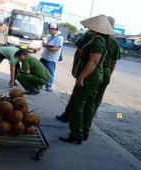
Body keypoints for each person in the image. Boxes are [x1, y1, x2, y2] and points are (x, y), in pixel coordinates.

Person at [59, 14, 115, 144]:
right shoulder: (102, 39)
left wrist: (81, 77)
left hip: (91, 77)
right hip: (96, 76)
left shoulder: (97, 41)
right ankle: (84, 132)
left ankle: (76, 133)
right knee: (89, 104)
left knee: (76, 104)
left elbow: (93, 62)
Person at [40, 23, 64, 92]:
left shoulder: (59, 38)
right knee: (42, 71)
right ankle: (41, 83)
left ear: (53, 29)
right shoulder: (50, 36)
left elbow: (57, 49)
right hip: (45, 56)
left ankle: (49, 86)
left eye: (49, 29)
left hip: (51, 58)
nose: (49, 31)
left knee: (50, 73)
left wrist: (47, 47)